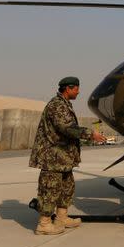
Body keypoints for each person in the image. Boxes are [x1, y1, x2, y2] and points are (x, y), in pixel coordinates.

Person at [29, 76, 106, 235]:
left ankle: (61, 218)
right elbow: (67, 128)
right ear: (68, 89)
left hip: (62, 157)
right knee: (50, 190)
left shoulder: (65, 104)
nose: (78, 92)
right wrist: (90, 134)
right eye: (76, 88)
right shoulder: (57, 105)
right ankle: (44, 224)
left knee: (66, 188)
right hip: (52, 157)